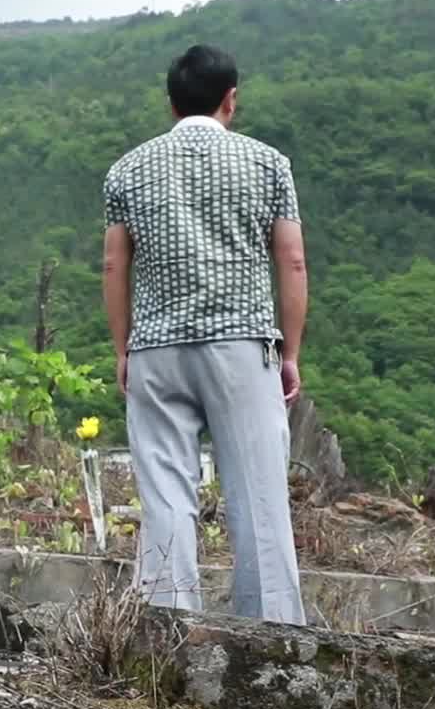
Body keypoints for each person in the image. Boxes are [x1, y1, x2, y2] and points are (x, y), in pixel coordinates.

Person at [101, 43, 309, 624]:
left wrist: (124, 349)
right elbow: (291, 262)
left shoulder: (128, 169)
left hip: (157, 352)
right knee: (259, 500)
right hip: (242, 345)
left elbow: (116, 266)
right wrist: (289, 353)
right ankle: (271, 641)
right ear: (231, 99)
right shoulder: (269, 164)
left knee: (166, 496)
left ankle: (165, 638)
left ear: (170, 105)